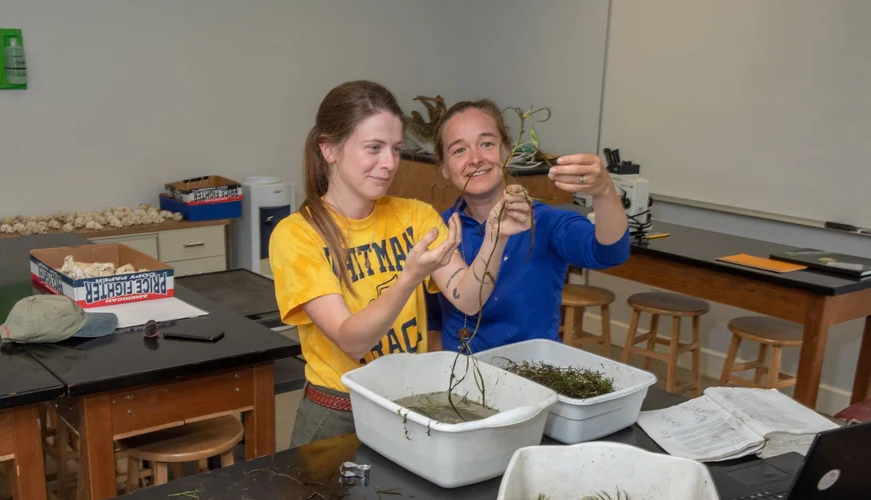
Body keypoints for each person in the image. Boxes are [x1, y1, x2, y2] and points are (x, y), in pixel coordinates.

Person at [268, 82, 531, 447]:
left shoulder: (415, 215)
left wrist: (496, 236)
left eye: (395, 149)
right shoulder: (297, 234)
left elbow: (469, 298)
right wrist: (409, 277)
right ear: (329, 148)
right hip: (338, 413)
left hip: (408, 403)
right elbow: (351, 340)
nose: (390, 163)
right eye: (373, 148)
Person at [426, 99, 630, 354]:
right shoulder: (439, 228)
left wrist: (604, 191)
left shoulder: (544, 223)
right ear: (443, 166)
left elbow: (610, 252)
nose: (475, 159)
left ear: (506, 150)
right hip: (458, 379)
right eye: (459, 150)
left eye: (486, 144)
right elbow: (432, 314)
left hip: (531, 378)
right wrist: (438, 366)